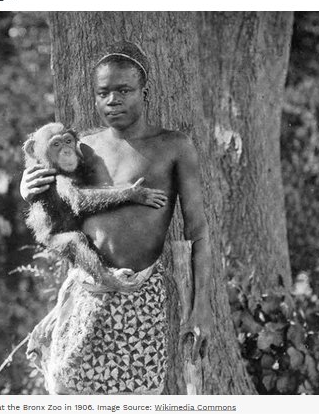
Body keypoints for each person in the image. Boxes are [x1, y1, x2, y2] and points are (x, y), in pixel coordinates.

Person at [21, 41, 212, 394]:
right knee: (70, 392)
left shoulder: (174, 146)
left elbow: (198, 232)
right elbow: (48, 178)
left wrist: (202, 309)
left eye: (123, 90)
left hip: (141, 292)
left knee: (135, 401)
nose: (113, 100)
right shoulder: (85, 147)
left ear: (145, 92)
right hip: (90, 289)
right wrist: (26, 185)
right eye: (103, 93)